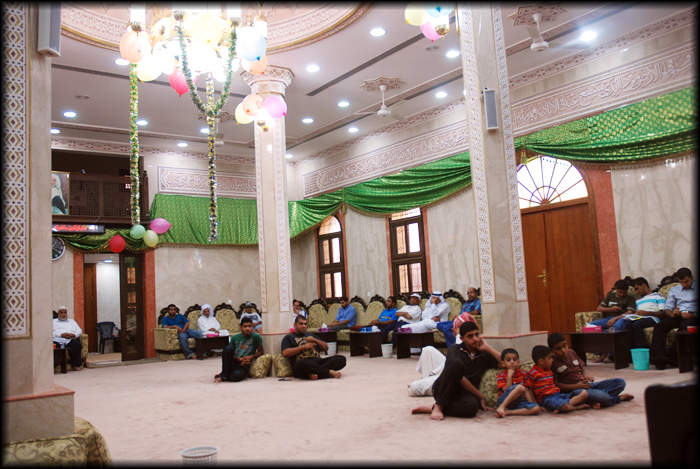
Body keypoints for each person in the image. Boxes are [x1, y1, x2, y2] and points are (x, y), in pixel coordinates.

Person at [411, 321, 503, 420]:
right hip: (444, 387)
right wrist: (480, 395)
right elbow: (458, 375)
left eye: (477, 335)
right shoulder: (455, 349)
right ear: (462, 339)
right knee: (457, 364)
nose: (475, 339)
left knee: (472, 408)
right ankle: (438, 406)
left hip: (464, 393)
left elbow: (504, 363)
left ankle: (433, 408)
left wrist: (487, 347)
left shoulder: (484, 354)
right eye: (470, 336)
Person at [548, 332, 633, 408]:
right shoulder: (552, 362)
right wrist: (576, 386)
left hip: (587, 385)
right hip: (575, 390)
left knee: (620, 382)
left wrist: (587, 375)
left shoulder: (571, 352)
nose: (563, 350)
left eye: (565, 346)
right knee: (603, 397)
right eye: (558, 349)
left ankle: (593, 398)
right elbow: (556, 384)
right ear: (552, 350)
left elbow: (582, 369)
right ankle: (617, 398)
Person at [649, 267, 698, 370]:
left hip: (693, 316)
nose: (684, 285)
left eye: (686, 281)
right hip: (678, 315)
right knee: (660, 326)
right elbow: (667, 308)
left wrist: (693, 314)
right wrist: (672, 314)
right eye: (681, 282)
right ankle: (659, 356)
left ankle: (672, 358)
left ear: (692, 278)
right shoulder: (674, 290)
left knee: (684, 327)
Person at [525, 345, 590, 414]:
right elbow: (530, 389)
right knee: (564, 405)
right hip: (547, 399)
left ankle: (563, 406)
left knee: (584, 393)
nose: (552, 360)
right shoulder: (533, 373)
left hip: (558, 394)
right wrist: (536, 404)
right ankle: (575, 407)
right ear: (541, 361)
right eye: (550, 358)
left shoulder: (549, 370)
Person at [282, 316, 346, 380]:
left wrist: (315, 340)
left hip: (317, 361)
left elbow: (326, 348)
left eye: (305, 324)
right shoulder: (289, 337)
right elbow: (285, 353)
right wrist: (303, 347)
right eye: (301, 324)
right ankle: (328, 372)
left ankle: (312, 373)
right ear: (295, 325)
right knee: (301, 363)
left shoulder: (311, 335)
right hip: (302, 363)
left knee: (341, 359)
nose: (304, 326)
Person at [590, 279, 636, 363]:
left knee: (616, 327)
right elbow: (599, 308)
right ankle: (602, 353)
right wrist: (611, 309)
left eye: (624, 293)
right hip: (608, 318)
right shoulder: (610, 296)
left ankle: (611, 355)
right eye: (620, 292)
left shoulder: (630, 298)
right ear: (616, 289)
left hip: (621, 318)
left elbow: (630, 312)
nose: (622, 294)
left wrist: (615, 319)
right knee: (591, 326)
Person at [215, 317, 263, 383]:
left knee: (235, 377)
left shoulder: (256, 337)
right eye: (245, 326)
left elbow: (260, 351)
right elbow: (230, 353)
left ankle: (226, 374)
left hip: (244, 365)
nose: (247, 328)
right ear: (241, 327)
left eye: (249, 326)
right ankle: (224, 375)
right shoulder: (235, 338)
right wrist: (238, 359)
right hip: (234, 361)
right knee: (227, 348)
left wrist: (251, 357)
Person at [495, 348, 540, 418]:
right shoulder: (501, 375)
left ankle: (507, 412)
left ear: (518, 362)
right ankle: (502, 406)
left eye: (515, 360)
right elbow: (505, 390)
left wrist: (530, 403)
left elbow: (526, 390)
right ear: (503, 363)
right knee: (520, 387)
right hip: (504, 400)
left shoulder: (523, 373)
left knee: (536, 408)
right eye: (508, 360)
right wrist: (509, 377)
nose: (512, 362)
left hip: (519, 402)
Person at [627, 277, 667, 349]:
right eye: (635, 290)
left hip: (653, 319)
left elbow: (663, 314)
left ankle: (641, 350)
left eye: (637, 289)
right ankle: (629, 352)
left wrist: (647, 313)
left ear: (644, 285)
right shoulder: (637, 301)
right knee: (626, 324)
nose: (637, 292)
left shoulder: (658, 297)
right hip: (638, 318)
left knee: (637, 325)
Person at [53, 306, 83, 370]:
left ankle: (75, 365)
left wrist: (74, 335)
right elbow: (50, 332)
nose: (63, 314)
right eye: (61, 313)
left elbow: (79, 330)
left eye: (65, 312)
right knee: (54, 347)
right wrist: (61, 335)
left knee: (77, 345)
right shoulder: (53, 322)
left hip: (69, 340)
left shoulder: (72, 321)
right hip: (57, 340)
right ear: (58, 313)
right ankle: (54, 367)